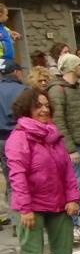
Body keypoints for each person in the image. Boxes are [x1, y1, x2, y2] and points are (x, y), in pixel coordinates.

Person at [4, 88, 80, 254]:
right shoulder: (18, 138)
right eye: (38, 105)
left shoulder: (54, 135)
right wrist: (25, 209)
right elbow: (17, 175)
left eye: (47, 105)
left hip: (59, 203)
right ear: (26, 109)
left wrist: (73, 198)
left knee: (63, 251)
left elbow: (67, 170)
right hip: (30, 207)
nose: (44, 109)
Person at [48, 53, 80, 241]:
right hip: (75, 146)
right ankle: (73, 225)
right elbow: (58, 121)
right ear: (71, 68)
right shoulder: (57, 90)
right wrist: (70, 149)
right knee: (73, 186)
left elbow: (78, 115)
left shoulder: (78, 88)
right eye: (79, 65)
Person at [0, 59, 25, 205]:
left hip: (2, 140)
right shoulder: (24, 90)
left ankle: (15, 214)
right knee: (25, 178)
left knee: (11, 179)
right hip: (21, 139)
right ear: (16, 72)